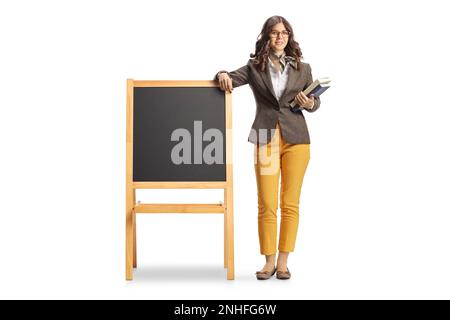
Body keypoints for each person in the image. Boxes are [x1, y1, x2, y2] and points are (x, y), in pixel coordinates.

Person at [215, 15, 321, 280]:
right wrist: (221, 74)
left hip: (297, 139)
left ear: (289, 36)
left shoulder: (303, 67)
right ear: (266, 37)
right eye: (274, 33)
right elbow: (229, 77)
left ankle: (284, 262)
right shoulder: (254, 67)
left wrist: (309, 104)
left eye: (284, 32)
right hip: (265, 136)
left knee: (290, 202)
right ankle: (268, 262)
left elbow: (314, 102)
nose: (280, 36)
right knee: (266, 203)